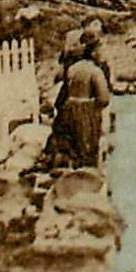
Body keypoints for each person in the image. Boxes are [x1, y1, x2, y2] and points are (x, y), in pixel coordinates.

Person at [48, 30, 110, 168]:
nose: (103, 54)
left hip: (69, 112)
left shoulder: (72, 69)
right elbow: (104, 99)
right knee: (88, 153)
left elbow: (64, 94)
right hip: (87, 115)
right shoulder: (95, 71)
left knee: (74, 151)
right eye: (100, 50)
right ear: (93, 52)